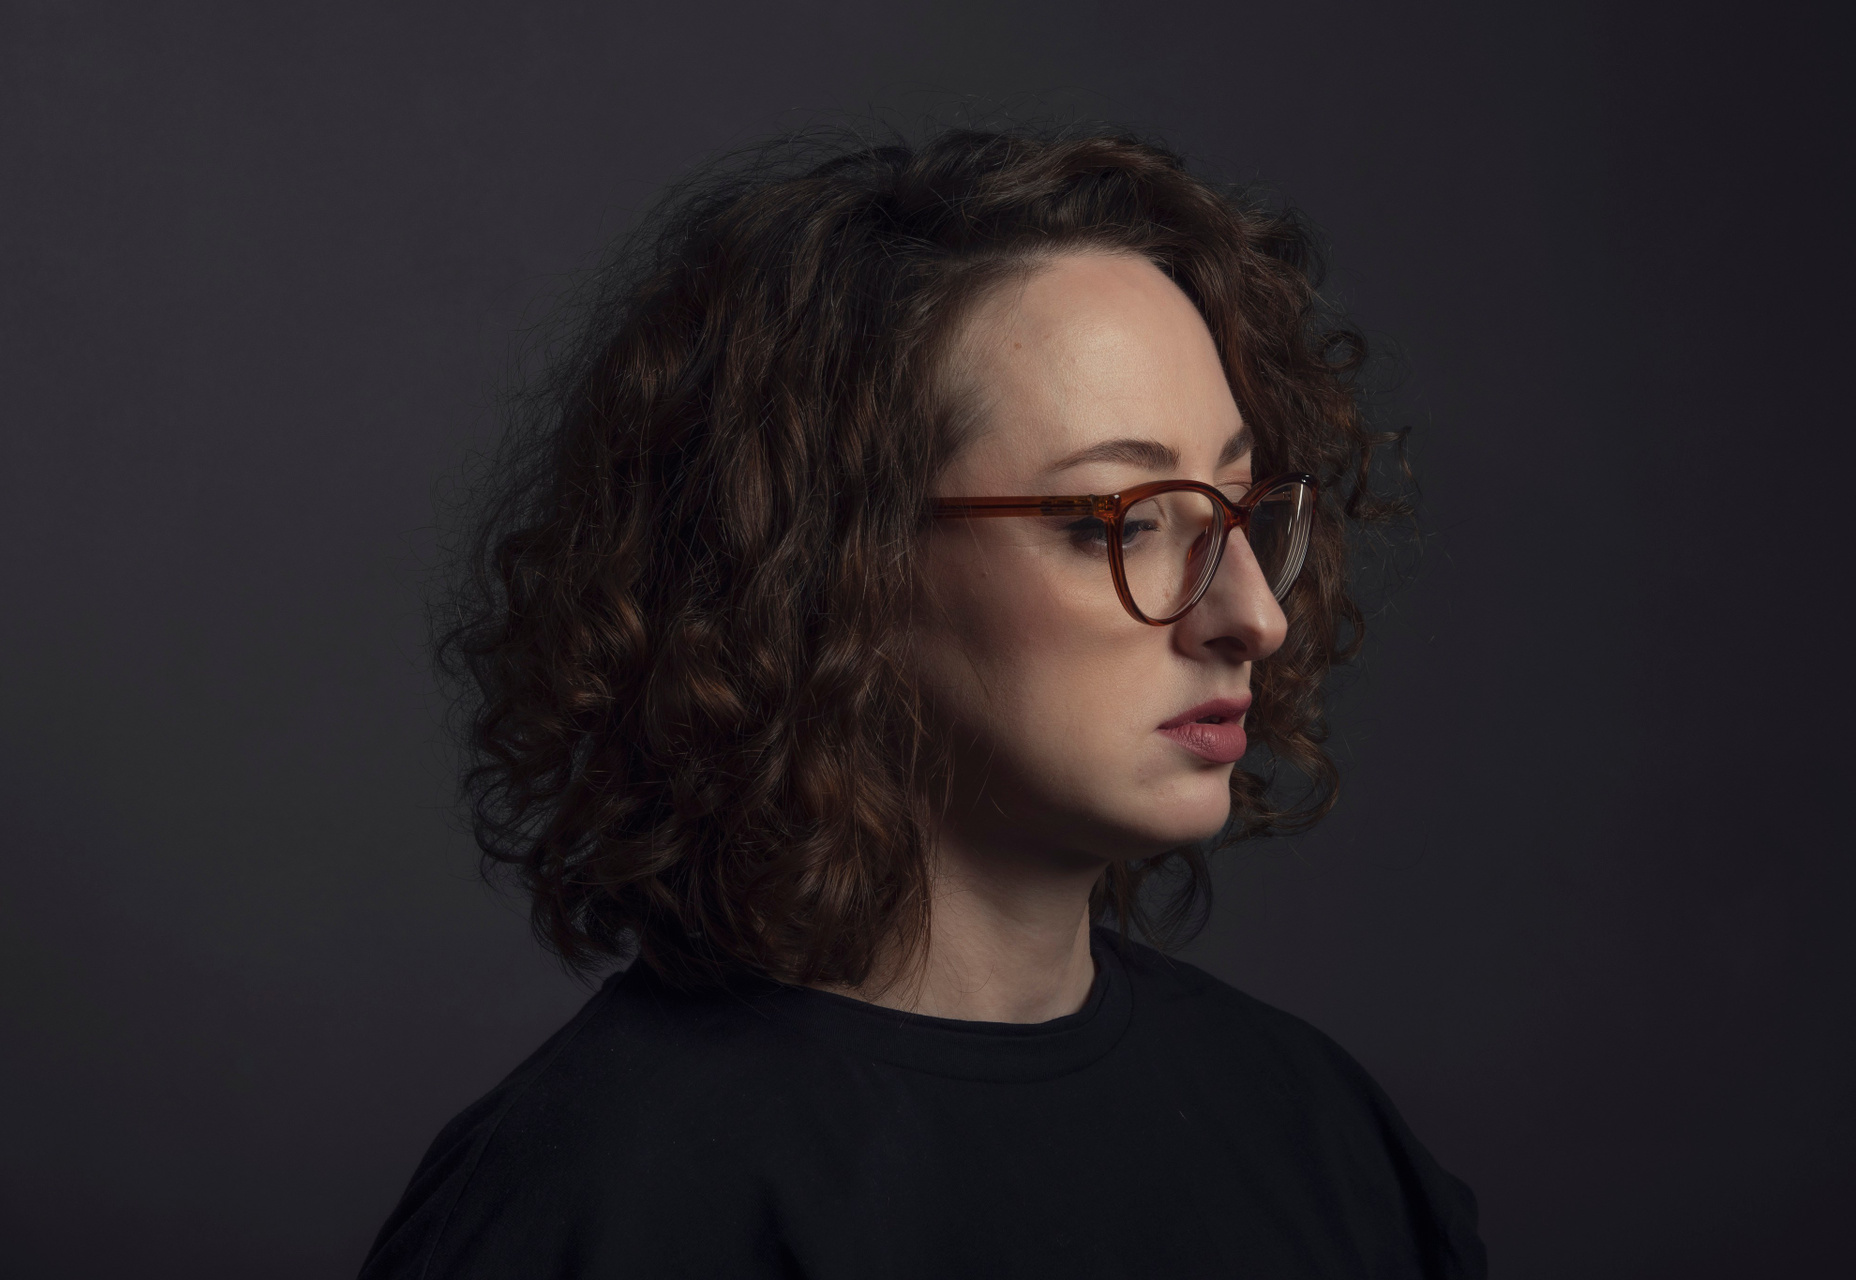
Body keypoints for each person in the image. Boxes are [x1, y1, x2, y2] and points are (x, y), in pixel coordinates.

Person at [362, 126, 1485, 1279]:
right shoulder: (597, 1202)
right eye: (1125, 518)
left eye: (1239, 509)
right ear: (832, 565)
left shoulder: (1324, 1138)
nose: (1254, 615)